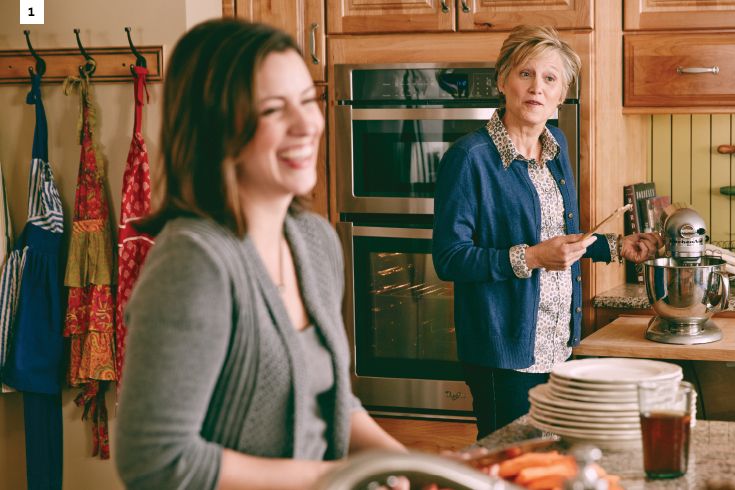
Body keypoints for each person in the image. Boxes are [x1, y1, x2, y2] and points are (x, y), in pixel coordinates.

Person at [115, 19, 405, 490]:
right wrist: (335, 477)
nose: (307, 123)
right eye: (273, 110)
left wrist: (411, 465)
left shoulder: (314, 240)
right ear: (216, 128)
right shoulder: (195, 262)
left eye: (308, 100)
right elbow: (154, 460)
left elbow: (328, 398)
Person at [432, 25, 662, 438]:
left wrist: (615, 246)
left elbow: (559, 237)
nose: (536, 87)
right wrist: (534, 257)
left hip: (558, 344)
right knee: (512, 467)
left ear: (561, 93)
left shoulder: (555, 145)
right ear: (502, 80)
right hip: (503, 354)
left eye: (550, 78)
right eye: (525, 74)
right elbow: (450, 258)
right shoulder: (470, 158)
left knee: (550, 467)